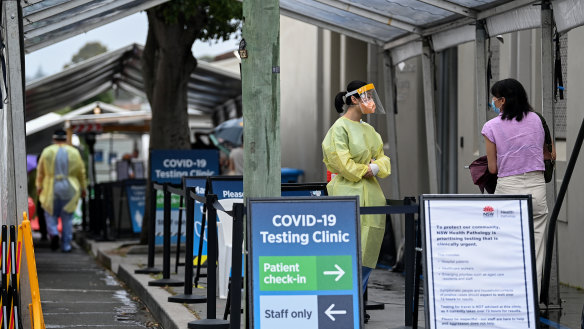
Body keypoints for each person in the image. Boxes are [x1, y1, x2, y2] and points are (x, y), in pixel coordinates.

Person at [481, 78, 555, 294]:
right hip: (536, 186)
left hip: (508, 189)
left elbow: (493, 168)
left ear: (502, 100)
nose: (493, 102)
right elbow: (544, 154)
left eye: (495, 99)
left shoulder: (491, 126)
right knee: (536, 247)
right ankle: (531, 298)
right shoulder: (536, 120)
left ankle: (508, 296)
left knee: (505, 245)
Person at [322, 80, 391, 301]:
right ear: (354, 99)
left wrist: (376, 166)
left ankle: (353, 304)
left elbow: (384, 159)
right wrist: (368, 167)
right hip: (347, 194)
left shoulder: (369, 130)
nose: (371, 103)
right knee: (346, 253)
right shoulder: (339, 129)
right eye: (367, 98)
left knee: (367, 255)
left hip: (372, 197)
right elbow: (343, 164)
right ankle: (342, 304)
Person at [36, 129, 87, 252]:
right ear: (66, 139)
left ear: (54, 139)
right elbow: (81, 172)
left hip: (51, 187)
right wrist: (83, 187)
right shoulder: (74, 152)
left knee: (50, 214)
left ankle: (53, 234)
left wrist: (39, 187)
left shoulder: (47, 152)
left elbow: (40, 171)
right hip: (70, 187)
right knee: (67, 218)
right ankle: (66, 245)